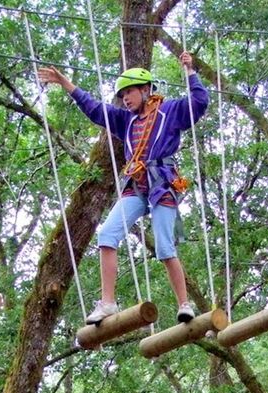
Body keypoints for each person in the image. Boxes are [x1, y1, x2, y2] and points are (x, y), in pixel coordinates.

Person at [37, 53, 210, 325]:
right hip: (137, 186)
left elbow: (199, 103)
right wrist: (66, 84)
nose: (125, 99)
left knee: (165, 247)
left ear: (145, 89)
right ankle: (107, 303)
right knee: (106, 234)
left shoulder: (170, 111)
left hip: (162, 183)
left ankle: (184, 303)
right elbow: (94, 108)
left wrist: (190, 71)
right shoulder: (125, 120)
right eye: (122, 95)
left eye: (129, 93)